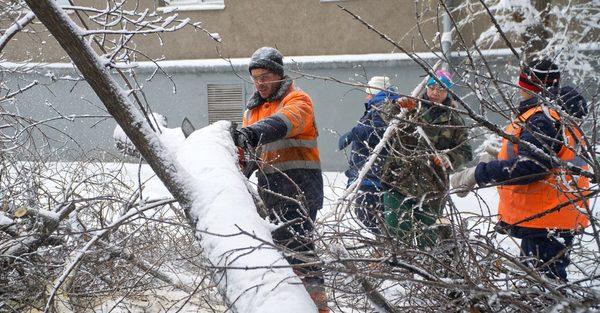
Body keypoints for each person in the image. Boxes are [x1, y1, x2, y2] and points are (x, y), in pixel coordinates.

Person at [451, 60, 590, 281]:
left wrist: (478, 173)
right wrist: (502, 157)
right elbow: (552, 159)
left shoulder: (540, 118)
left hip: (545, 217)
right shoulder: (558, 114)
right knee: (544, 285)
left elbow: (531, 167)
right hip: (555, 214)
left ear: (526, 86)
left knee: (544, 290)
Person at [230, 47, 328, 312]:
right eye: (255, 77)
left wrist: (250, 134)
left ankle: (317, 306)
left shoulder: (298, 100)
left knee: (299, 251)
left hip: (300, 189)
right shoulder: (252, 112)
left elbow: (284, 123)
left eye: (265, 76)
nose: (260, 82)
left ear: (278, 74)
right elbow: (250, 157)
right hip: (271, 193)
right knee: (282, 254)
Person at [380, 69, 473, 248]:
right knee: (398, 236)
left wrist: (449, 159)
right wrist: (396, 105)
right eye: (432, 87)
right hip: (398, 180)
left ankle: (428, 271)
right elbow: (385, 116)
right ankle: (397, 273)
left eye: (441, 89)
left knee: (428, 240)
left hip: (432, 189)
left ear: (448, 92)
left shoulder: (454, 119)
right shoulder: (412, 106)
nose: (435, 93)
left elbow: (466, 151)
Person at [338, 76, 400, 232]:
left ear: (375, 91)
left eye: (368, 92)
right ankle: (385, 244)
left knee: (369, 214)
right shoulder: (378, 106)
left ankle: (386, 245)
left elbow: (379, 131)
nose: (366, 96)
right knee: (370, 214)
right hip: (369, 173)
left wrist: (354, 133)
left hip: (374, 174)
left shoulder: (383, 106)